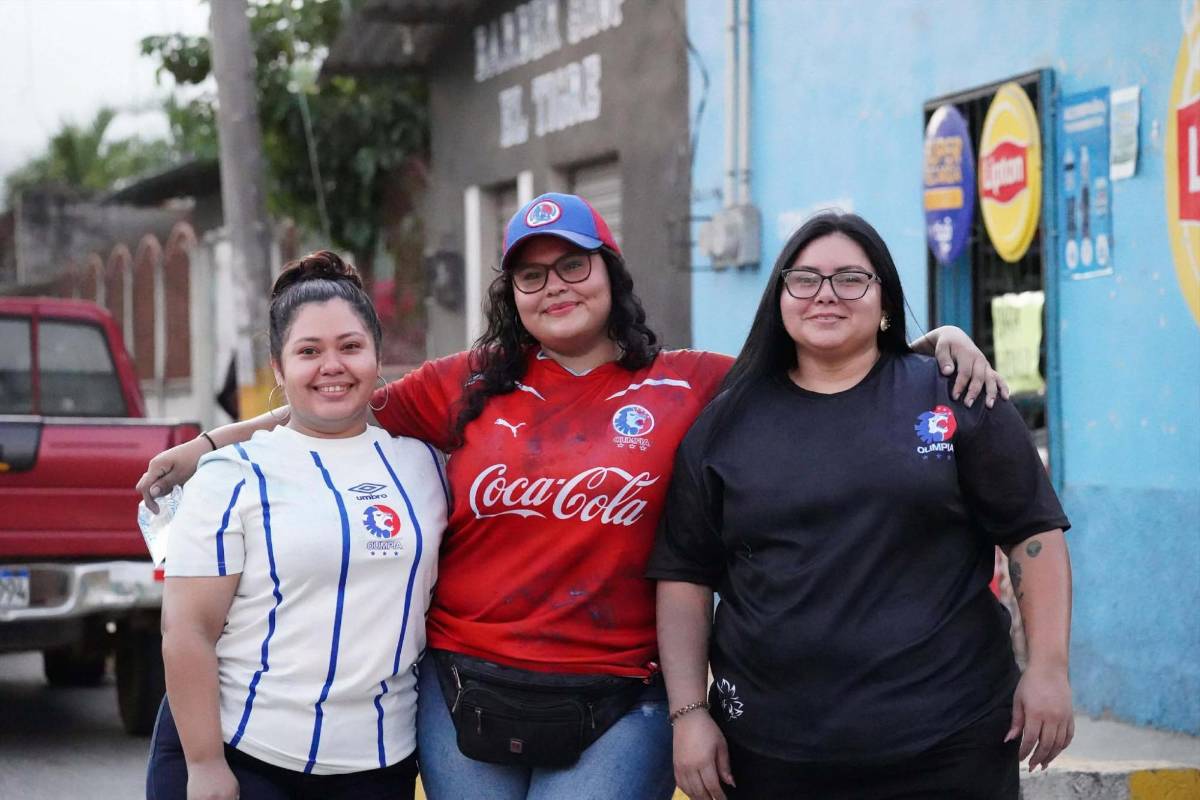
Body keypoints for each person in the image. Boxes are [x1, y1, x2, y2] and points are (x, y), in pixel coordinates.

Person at [137, 194, 1004, 800]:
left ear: (610, 271)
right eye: (531, 274)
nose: (555, 286)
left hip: (619, 700)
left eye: (572, 265)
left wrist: (931, 340)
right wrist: (215, 442)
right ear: (511, 295)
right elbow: (335, 397)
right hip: (462, 693)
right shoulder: (468, 381)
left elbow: (816, 355)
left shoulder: (689, 383)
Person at [648, 212, 1073, 800]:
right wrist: (689, 713)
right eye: (805, 279)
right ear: (779, 298)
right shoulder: (725, 423)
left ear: (885, 300)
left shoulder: (957, 394)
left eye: (851, 278)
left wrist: (1049, 668)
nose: (826, 294)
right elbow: (683, 577)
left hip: (951, 739)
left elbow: (1034, 533)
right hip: (772, 751)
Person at [145, 252, 446, 800]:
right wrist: (207, 765)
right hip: (243, 755)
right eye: (309, 352)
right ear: (279, 370)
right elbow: (187, 632)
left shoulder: (428, 465)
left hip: (380, 764)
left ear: (378, 357)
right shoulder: (231, 476)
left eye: (351, 347)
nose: (332, 365)